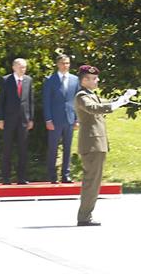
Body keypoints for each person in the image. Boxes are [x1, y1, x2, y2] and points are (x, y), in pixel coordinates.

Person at [73, 65, 134, 226]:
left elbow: (101, 105)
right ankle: (84, 217)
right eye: (93, 78)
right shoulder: (81, 96)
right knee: (91, 182)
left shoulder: (91, 95)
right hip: (92, 144)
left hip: (97, 144)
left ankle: (86, 215)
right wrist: (117, 103)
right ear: (85, 80)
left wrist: (121, 100)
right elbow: (93, 109)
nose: (97, 80)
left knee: (94, 182)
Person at [0, 58, 34, 185]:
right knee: (7, 149)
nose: (23, 69)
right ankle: (6, 178)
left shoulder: (28, 80)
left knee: (23, 149)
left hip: (23, 119)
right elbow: (1, 100)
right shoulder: (6, 80)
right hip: (8, 120)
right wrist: (0, 118)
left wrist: (31, 119)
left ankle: (21, 178)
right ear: (14, 67)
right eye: (20, 67)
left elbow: (30, 100)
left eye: (24, 67)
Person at [43, 52, 78, 184]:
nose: (65, 66)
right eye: (63, 63)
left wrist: (77, 119)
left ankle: (66, 174)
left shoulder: (75, 80)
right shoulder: (50, 80)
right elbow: (46, 101)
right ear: (58, 64)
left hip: (69, 119)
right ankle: (52, 175)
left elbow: (77, 101)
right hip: (55, 120)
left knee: (68, 148)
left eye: (67, 63)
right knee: (53, 148)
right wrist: (48, 119)